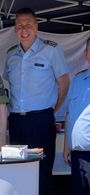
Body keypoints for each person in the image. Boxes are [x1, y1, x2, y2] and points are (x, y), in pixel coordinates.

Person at [3, 8, 70, 195]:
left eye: (28, 25)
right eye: (19, 26)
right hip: (16, 121)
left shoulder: (51, 50)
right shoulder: (11, 55)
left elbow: (64, 82)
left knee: (42, 173)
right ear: (15, 29)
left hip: (41, 121)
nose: (24, 30)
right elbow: (8, 84)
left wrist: (54, 108)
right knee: (18, 170)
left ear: (36, 26)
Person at [63, 37, 90, 195]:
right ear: (86, 54)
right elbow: (69, 115)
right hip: (78, 156)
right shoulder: (77, 80)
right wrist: (67, 145)